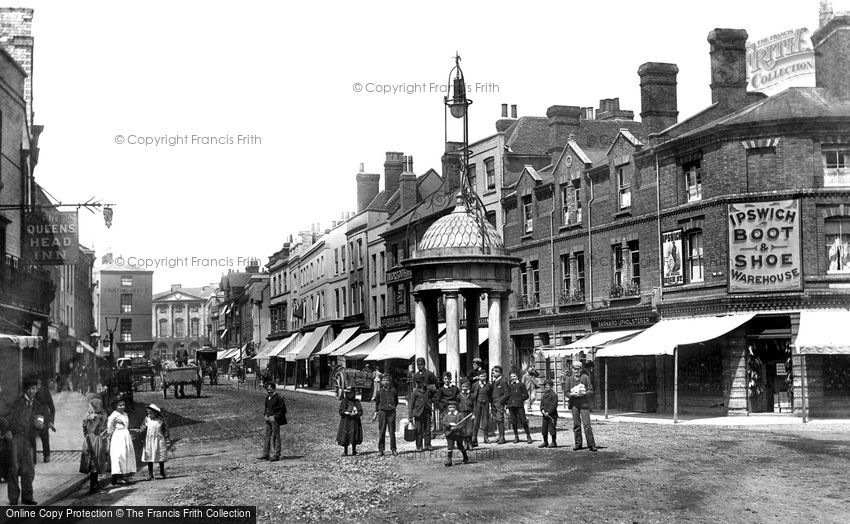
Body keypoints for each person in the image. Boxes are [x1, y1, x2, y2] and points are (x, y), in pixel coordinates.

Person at [6, 377, 41, 505]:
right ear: (26, 390)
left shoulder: (37, 405)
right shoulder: (18, 402)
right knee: (14, 468)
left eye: (34, 389)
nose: (32, 391)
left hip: (28, 440)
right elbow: (9, 417)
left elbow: (40, 421)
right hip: (16, 438)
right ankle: (13, 498)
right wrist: (9, 431)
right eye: (30, 389)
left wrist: (40, 425)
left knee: (28, 469)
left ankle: (27, 498)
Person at [563, 361, 596, 452]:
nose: (576, 371)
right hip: (574, 404)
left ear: (581, 369)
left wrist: (585, 393)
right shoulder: (569, 379)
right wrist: (571, 394)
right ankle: (578, 444)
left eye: (578, 369)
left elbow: (591, 390)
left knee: (587, 425)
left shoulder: (585, 378)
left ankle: (591, 444)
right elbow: (566, 392)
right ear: (572, 369)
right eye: (574, 369)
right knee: (576, 425)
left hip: (584, 404)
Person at [79, 398, 108, 493]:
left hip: (88, 440)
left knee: (92, 463)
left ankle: (94, 485)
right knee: (95, 463)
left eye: (91, 406)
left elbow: (84, 429)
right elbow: (103, 430)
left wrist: (87, 435)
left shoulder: (88, 417)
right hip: (96, 440)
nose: (90, 408)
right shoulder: (100, 417)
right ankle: (94, 486)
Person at [133, 404, 169, 480]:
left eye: (151, 412)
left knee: (160, 456)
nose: (149, 414)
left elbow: (165, 430)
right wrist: (138, 431)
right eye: (148, 413)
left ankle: (162, 472)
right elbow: (142, 428)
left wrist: (167, 438)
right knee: (149, 456)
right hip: (149, 440)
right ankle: (150, 474)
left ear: (156, 413)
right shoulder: (147, 419)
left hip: (158, 439)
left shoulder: (160, 420)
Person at [107, 399, 137, 484]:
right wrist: (109, 437)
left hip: (125, 435)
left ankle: (122, 476)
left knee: (125, 454)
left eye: (123, 405)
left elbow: (126, 425)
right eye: (120, 405)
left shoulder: (125, 414)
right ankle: (115, 477)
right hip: (118, 436)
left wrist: (123, 424)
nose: (122, 407)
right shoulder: (113, 415)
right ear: (115, 406)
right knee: (118, 455)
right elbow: (109, 428)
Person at [258, 383, 287, 461]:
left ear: (274, 389)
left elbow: (283, 410)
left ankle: (276, 454)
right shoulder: (268, 397)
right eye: (267, 389)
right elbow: (266, 407)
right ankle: (265, 454)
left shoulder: (279, 398)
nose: (269, 390)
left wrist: (275, 417)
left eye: (270, 389)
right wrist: (265, 415)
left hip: (274, 419)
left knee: (276, 436)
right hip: (267, 418)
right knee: (267, 436)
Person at [372, 375, 398, 456]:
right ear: (381, 382)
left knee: (392, 432)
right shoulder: (379, 392)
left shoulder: (393, 391)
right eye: (384, 380)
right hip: (382, 413)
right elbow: (377, 403)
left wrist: (392, 407)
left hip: (391, 413)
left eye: (387, 380)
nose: (385, 382)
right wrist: (376, 413)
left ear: (390, 381)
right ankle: (381, 449)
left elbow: (396, 401)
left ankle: (393, 449)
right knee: (382, 431)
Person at [506, 370, 532, 444]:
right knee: (513, 421)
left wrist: (520, 400)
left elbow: (526, 395)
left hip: (519, 405)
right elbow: (507, 396)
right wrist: (508, 404)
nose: (513, 378)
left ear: (517, 377)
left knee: (523, 420)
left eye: (514, 376)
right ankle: (516, 436)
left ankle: (528, 436)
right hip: (511, 406)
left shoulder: (521, 385)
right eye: (511, 377)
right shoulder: (509, 386)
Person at [441, 401, 469, 467]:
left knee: (460, 446)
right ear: (448, 408)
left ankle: (465, 457)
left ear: (456, 407)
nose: (452, 408)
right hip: (449, 433)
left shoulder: (460, 415)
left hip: (458, 433)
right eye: (450, 407)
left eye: (453, 407)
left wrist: (456, 428)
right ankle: (449, 460)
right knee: (450, 446)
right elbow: (444, 422)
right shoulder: (446, 415)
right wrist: (450, 425)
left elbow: (463, 424)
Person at [34, 377, 56, 463]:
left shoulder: (44, 391)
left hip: (41, 416)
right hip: (32, 415)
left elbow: (52, 407)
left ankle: (46, 455)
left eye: (39, 383)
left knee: (44, 437)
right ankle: (33, 458)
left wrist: (51, 421)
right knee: (32, 438)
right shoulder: (31, 391)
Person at [407, 378, 433, 452]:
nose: (423, 384)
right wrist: (410, 416)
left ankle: (428, 444)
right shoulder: (415, 392)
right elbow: (411, 404)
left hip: (427, 412)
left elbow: (432, 397)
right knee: (419, 430)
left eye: (424, 382)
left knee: (427, 429)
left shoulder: (427, 391)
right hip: (418, 413)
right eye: (421, 383)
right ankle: (419, 445)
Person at [337, 387, 363, 456]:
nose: (349, 395)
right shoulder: (344, 401)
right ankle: (345, 451)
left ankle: (354, 450)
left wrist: (356, 414)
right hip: (346, 421)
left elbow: (360, 412)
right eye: (348, 393)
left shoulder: (356, 402)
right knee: (345, 434)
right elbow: (340, 411)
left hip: (354, 421)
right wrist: (345, 413)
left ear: (354, 393)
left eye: (351, 393)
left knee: (354, 434)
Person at [470, 372, 491, 447]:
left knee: (485, 419)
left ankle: (486, 437)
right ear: (478, 377)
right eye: (481, 376)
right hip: (477, 403)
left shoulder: (488, 384)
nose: (483, 378)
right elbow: (472, 394)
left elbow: (490, 394)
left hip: (486, 403)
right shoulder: (475, 385)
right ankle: (474, 437)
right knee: (476, 420)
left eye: (484, 376)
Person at [489, 366, 509, 445]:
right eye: (493, 371)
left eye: (496, 371)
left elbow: (507, 393)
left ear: (500, 373)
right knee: (497, 419)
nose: (493, 372)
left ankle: (502, 437)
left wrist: (500, 401)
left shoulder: (503, 381)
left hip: (499, 403)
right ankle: (499, 435)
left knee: (500, 419)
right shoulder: (494, 382)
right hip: (493, 403)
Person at [538, 379, 559, 448]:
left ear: (551, 387)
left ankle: (553, 442)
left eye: (547, 386)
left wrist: (549, 412)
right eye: (545, 387)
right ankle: (545, 441)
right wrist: (542, 410)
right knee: (544, 429)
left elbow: (554, 405)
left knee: (552, 428)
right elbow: (542, 404)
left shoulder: (554, 395)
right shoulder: (544, 395)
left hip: (552, 415)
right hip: (545, 416)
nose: (546, 388)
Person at [456, 380, 475, 450]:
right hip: (462, 413)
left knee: (469, 429)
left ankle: (470, 442)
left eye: (466, 386)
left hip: (470, 413)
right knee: (463, 429)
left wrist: (474, 413)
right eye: (463, 386)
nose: (464, 388)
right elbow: (457, 405)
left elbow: (474, 405)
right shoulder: (459, 396)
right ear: (461, 387)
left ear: (469, 387)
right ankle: (465, 443)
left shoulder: (472, 395)